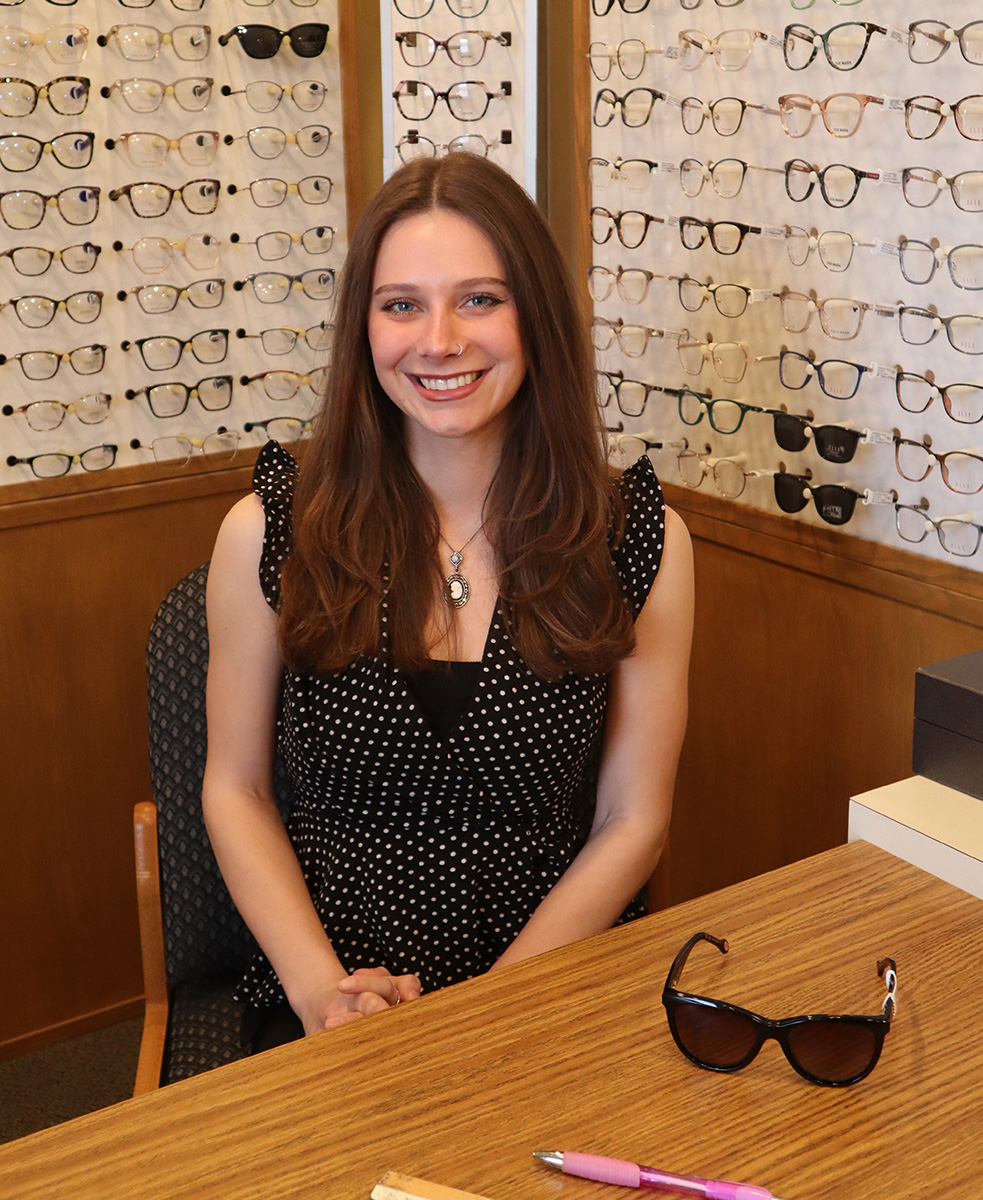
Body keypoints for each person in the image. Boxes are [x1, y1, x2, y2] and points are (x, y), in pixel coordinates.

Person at [202, 153, 694, 1053]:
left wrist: (487, 1011)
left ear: (535, 318)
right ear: (364, 329)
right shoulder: (269, 530)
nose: (438, 340)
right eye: (401, 305)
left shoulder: (636, 535)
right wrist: (322, 996)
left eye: (479, 299)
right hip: (331, 988)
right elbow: (235, 791)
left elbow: (634, 819)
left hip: (555, 979)